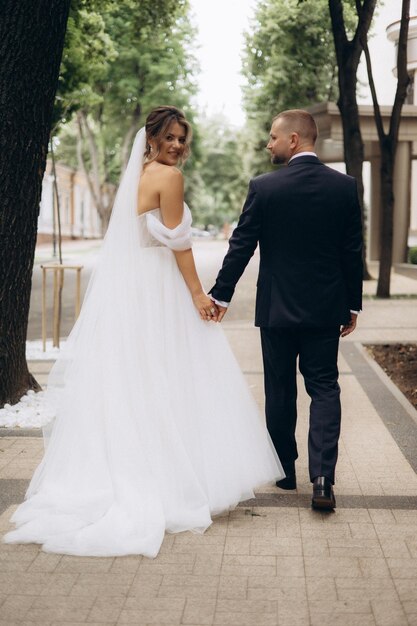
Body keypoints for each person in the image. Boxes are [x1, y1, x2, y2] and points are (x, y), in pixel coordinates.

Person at [3, 106, 283, 557]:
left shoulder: (139, 175)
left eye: (181, 139)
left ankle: (137, 468)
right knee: (171, 376)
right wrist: (197, 295)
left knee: (138, 379)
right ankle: (169, 478)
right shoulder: (169, 179)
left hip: (132, 291)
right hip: (159, 289)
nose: (176, 146)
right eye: (169, 137)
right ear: (151, 138)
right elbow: (179, 244)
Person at [210, 109, 363, 511]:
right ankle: (323, 479)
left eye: (273, 137)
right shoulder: (344, 187)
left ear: (294, 139)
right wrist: (352, 304)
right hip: (325, 310)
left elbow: (241, 246)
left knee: (280, 389)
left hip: (277, 309)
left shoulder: (264, 187)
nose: (268, 144)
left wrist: (220, 296)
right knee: (325, 388)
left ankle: (284, 470)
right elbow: (351, 251)